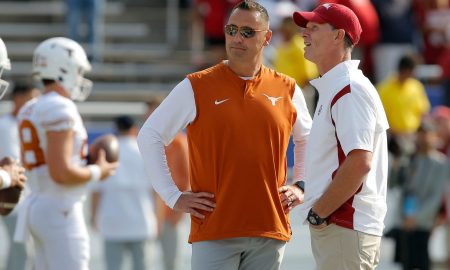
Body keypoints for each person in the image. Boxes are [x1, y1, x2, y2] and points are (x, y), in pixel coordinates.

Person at [137, 1, 312, 269]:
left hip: (270, 228)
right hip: (215, 229)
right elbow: (149, 135)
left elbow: (308, 139)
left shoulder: (287, 88)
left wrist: (300, 185)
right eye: (231, 29)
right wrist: (172, 196)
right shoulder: (196, 85)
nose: (236, 38)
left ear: (267, 38)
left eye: (247, 32)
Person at [293, 3, 389, 269]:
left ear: (338, 36)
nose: (304, 33)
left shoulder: (348, 88)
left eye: (314, 27)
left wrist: (319, 213)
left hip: (344, 225)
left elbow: (359, 162)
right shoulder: (340, 85)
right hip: (343, 227)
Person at [14, 37, 117, 270]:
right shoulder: (59, 106)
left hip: (39, 204)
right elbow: (60, 172)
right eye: (78, 71)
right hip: (60, 208)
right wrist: (96, 171)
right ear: (63, 69)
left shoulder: (31, 106)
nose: (80, 78)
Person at [90, 116, 157, 270]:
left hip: (112, 220)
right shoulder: (145, 150)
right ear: (135, 129)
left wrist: (93, 217)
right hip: (142, 219)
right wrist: (158, 218)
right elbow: (156, 190)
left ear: (116, 130)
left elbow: (96, 191)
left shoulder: (106, 152)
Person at [145, 99, 190, 270]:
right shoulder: (144, 139)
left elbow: (186, 178)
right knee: (145, 261)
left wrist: (178, 213)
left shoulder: (178, 142)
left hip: (170, 212)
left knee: (171, 262)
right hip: (147, 211)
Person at [0, 82, 39, 270]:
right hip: (14, 198)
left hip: (22, 197)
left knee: (18, 254)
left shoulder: (17, 124)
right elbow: (14, 166)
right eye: (31, 98)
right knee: (23, 253)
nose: (34, 103)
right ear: (18, 97)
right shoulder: (7, 126)